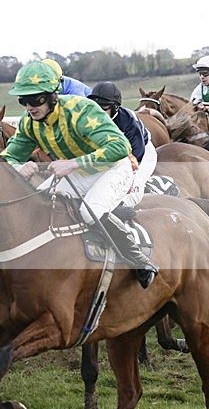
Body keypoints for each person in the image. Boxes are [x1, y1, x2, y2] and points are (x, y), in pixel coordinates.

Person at [1, 61, 158, 288]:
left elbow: (120, 147)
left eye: (35, 100)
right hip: (80, 172)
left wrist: (72, 164)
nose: (29, 107)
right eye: (23, 101)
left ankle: (141, 261)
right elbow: (9, 156)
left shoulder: (82, 110)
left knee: (89, 211)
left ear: (53, 95)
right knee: (41, 202)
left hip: (113, 167)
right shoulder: (30, 122)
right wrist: (18, 167)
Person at [88, 81, 157, 208]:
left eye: (104, 109)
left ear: (115, 107)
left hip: (142, 151)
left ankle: (123, 209)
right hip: (115, 152)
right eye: (96, 108)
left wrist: (128, 176)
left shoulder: (128, 119)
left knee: (133, 185)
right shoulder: (90, 118)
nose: (99, 114)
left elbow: (138, 151)